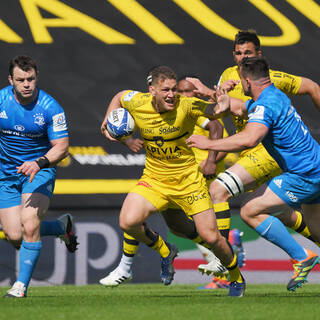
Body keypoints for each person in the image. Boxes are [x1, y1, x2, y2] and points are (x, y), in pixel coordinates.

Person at [100, 65, 245, 297]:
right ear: (151, 91)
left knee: (211, 237)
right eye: (165, 90)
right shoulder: (137, 102)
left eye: (174, 89)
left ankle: (236, 277)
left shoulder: (186, 106)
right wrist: (109, 118)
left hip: (188, 181)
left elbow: (214, 114)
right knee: (128, 221)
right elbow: (119, 96)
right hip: (155, 179)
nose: (171, 95)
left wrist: (222, 104)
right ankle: (166, 251)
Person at [186, 30, 320, 276]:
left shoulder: (269, 94)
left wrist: (208, 145)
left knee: (239, 204)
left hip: (292, 168)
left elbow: (249, 138)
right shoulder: (267, 93)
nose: (241, 59)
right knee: (295, 219)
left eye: (247, 54)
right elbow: (239, 106)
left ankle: (226, 255)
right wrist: (216, 97)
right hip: (310, 166)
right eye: (238, 53)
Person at [0, 55, 72, 298]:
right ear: (11, 80)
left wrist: (39, 163)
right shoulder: (1, 101)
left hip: (39, 171)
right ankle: (62, 226)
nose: (27, 84)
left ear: (36, 77)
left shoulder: (51, 107)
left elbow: (61, 147)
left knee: (30, 222)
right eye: (21, 80)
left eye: (30, 79)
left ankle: (20, 287)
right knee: (15, 236)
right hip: (6, 175)